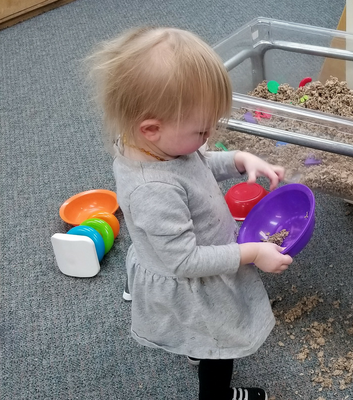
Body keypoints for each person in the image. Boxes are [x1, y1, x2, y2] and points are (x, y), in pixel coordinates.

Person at [87, 26, 293, 400]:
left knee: (198, 335)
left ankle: (194, 344)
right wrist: (252, 254)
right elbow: (185, 261)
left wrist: (239, 159)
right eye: (202, 130)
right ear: (151, 128)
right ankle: (216, 392)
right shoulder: (153, 189)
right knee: (218, 347)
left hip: (188, 257)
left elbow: (195, 163)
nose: (209, 135)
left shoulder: (159, 146)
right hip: (193, 279)